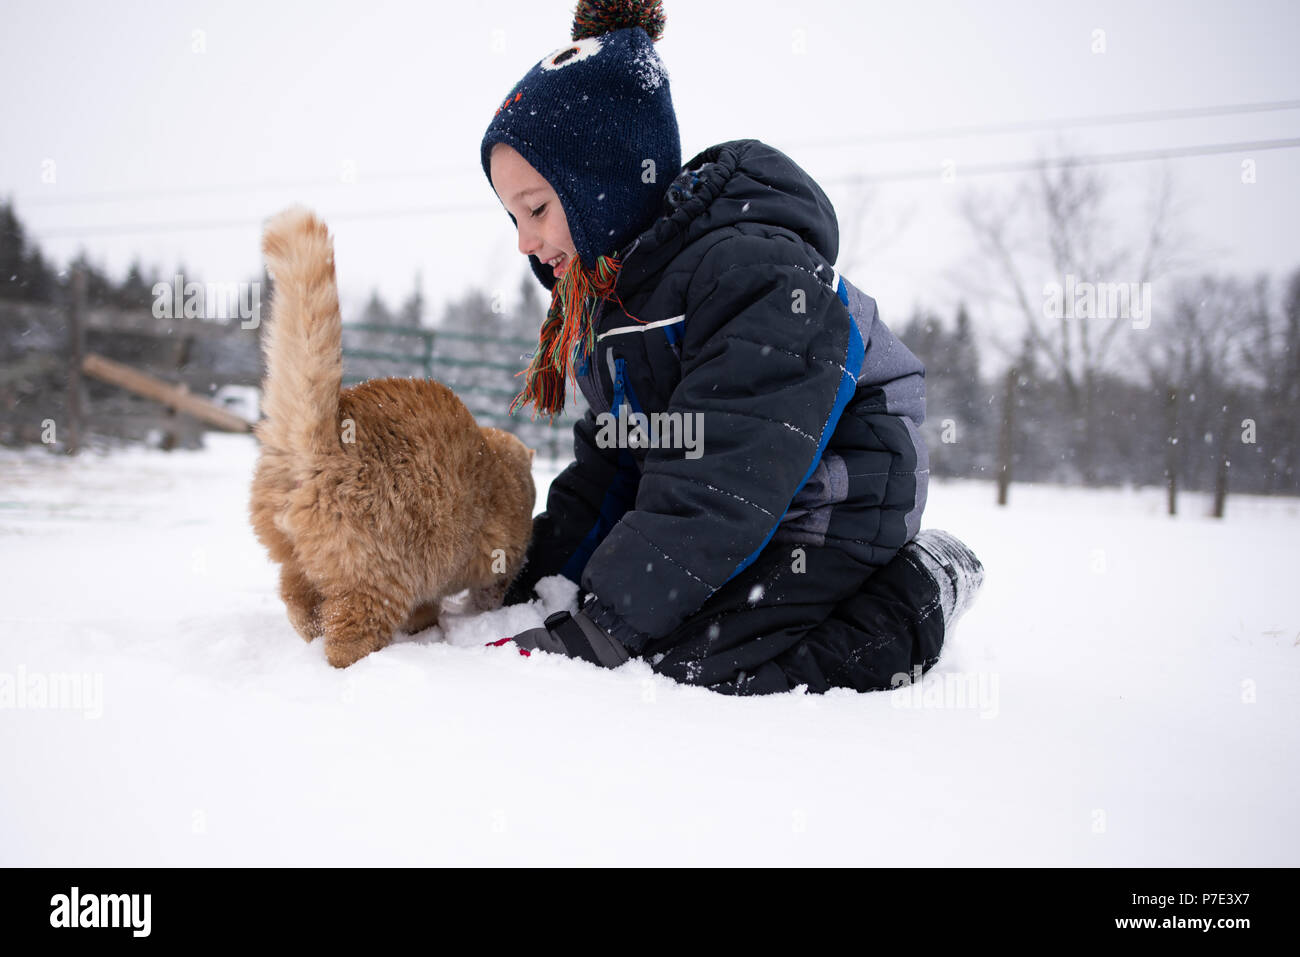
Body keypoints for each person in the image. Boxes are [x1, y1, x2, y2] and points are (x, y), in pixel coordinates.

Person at [479, 0, 984, 695]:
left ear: (604, 186)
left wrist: (605, 624)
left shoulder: (751, 275)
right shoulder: (606, 308)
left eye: (536, 209)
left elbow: (724, 476)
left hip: (837, 498)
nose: (524, 242)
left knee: (703, 662)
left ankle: (919, 588)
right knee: (658, 621)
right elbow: (615, 465)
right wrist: (538, 580)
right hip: (734, 503)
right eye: (513, 217)